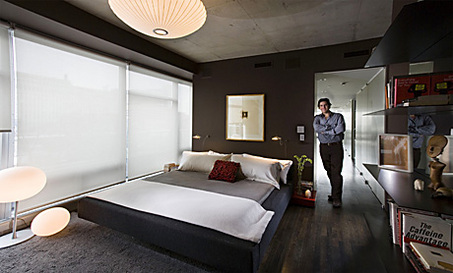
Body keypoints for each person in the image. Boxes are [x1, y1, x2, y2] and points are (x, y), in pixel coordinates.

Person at [313, 98, 346, 208]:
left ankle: (337, 198)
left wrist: (325, 130)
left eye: (325, 105)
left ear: (329, 106)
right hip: (323, 148)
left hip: (336, 147)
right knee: (329, 170)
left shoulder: (338, 117)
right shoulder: (317, 118)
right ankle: (334, 193)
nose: (323, 107)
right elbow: (317, 128)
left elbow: (340, 129)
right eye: (321, 106)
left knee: (336, 172)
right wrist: (331, 130)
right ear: (319, 107)